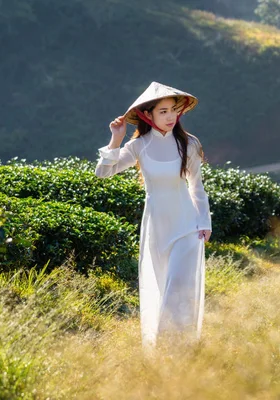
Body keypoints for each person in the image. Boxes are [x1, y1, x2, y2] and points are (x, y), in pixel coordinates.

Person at [94, 82, 212, 352]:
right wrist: (116, 138)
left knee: (179, 287)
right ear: (148, 115)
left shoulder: (188, 144)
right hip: (157, 227)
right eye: (163, 112)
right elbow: (103, 172)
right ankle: (165, 350)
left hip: (187, 226)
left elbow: (196, 186)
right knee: (161, 284)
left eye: (173, 110)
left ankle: (177, 348)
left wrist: (204, 223)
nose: (170, 117)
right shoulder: (139, 146)